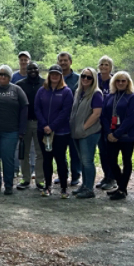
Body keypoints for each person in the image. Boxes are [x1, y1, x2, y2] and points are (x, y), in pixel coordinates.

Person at [0, 65, 28, 195]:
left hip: (10, 131)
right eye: (0, 74)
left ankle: (8, 185)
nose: (2, 77)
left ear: (10, 77)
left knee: (7, 157)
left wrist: (22, 129)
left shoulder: (16, 90)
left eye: (5, 75)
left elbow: (25, 107)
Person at [36, 65, 74, 199]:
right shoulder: (42, 90)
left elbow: (65, 112)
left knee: (60, 160)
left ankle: (64, 188)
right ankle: (47, 187)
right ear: (49, 75)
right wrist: (44, 125)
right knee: (47, 160)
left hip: (61, 132)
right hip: (43, 131)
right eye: (52, 74)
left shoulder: (66, 91)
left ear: (61, 76)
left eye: (57, 74)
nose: (54, 76)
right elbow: (37, 109)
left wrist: (52, 126)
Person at [101, 72, 134, 201]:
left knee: (126, 161)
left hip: (127, 136)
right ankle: (121, 186)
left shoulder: (132, 97)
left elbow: (130, 118)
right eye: (118, 81)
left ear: (128, 82)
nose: (121, 83)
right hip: (111, 134)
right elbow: (104, 116)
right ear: (114, 82)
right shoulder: (109, 96)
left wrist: (117, 134)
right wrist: (108, 133)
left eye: (123, 81)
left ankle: (122, 189)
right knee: (111, 160)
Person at [69, 67, 103, 199]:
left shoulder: (96, 93)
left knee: (88, 161)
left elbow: (96, 114)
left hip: (89, 133)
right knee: (82, 161)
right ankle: (84, 185)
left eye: (89, 77)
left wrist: (83, 128)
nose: (85, 79)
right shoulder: (79, 91)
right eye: (83, 76)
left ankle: (89, 189)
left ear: (94, 79)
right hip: (77, 132)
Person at [16, 62, 45, 190]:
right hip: (25, 123)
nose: (33, 70)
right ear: (26, 70)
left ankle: (40, 179)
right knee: (24, 152)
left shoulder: (45, 83)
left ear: (39, 70)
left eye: (35, 68)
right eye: (30, 69)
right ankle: (26, 178)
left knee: (40, 153)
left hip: (40, 123)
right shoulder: (20, 85)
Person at [55, 51, 81, 188]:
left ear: (70, 62)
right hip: (59, 121)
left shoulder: (78, 78)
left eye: (65, 60)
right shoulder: (55, 78)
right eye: (60, 60)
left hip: (74, 119)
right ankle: (62, 174)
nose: (63, 63)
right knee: (60, 149)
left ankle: (75, 175)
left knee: (74, 149)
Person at [96, 55, 116, 191]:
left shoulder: (115, 80)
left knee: (111, 151)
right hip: (96, 121)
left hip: (111, 122)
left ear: (111, 68)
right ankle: (105, 176)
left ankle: (112, 178)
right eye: (102, 64)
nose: (104, 67)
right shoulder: (94, 79)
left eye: (106, 65)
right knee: (102, 150)